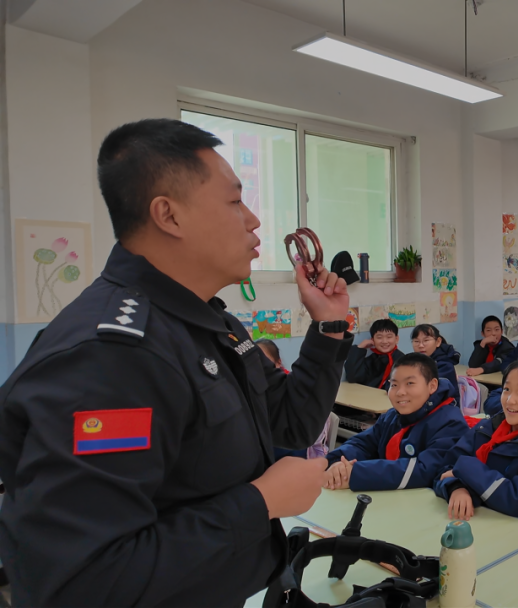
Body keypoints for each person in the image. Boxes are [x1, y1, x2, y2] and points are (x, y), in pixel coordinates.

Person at [0, 119, 352, 605]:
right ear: (169, 215)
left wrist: (329, 329)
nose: (254, 220)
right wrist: (260, 503)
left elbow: (287, 425)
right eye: (234, 201)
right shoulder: (112, 357)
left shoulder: (211, 324)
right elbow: (81, 582)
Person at [434, 359, 518, 527]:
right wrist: (456, 488)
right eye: (506, 390)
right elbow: (443, 469)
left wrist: (466, 469)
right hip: (479, 524)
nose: (510, 400)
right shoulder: (486, 429)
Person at [323, 354, 468, 491]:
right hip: (388, 497)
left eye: (410, 383)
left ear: (432, 386)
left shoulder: (451, 423)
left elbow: (424, 471)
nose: (400, 392)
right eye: (394, 385)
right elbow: (363, 444)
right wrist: (339, 462)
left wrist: (356, 473)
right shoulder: (392, 416)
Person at [343, 318, 404, 390]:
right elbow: (352, 377)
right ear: (372, 340)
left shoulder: (403, 360)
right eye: (379, 337)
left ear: (396, 339)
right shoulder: (371, 360)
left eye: (389, 337)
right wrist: (359, 348)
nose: (384, 341)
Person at [411, 324, 461, 406]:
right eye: (416, 341)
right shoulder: (412, 362)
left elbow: (432, 392)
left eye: (426, 341)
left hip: (443, 410)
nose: (420, 345)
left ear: (438, 342)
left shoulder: (445, 366)